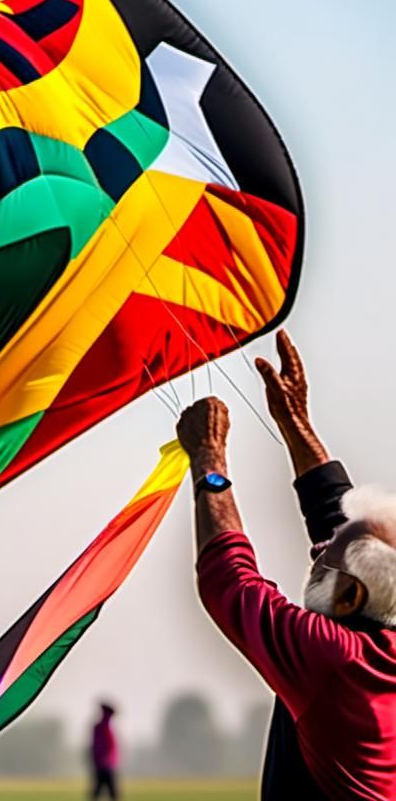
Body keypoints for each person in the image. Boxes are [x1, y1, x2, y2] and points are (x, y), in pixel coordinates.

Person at [176, 330, 396, 799]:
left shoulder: (337, 663)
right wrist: (294, 420)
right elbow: (339, 519)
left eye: (325, 552)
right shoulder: (377, 621)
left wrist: (208, 456)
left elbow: (228, 580)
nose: (318, 548)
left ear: (350, 595)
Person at [89, 701, 119, 799]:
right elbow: (99, 747)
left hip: (106, 765)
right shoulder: (102, 728)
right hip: (104, 765)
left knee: (100, 792)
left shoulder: (105, 728)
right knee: (110, 792)